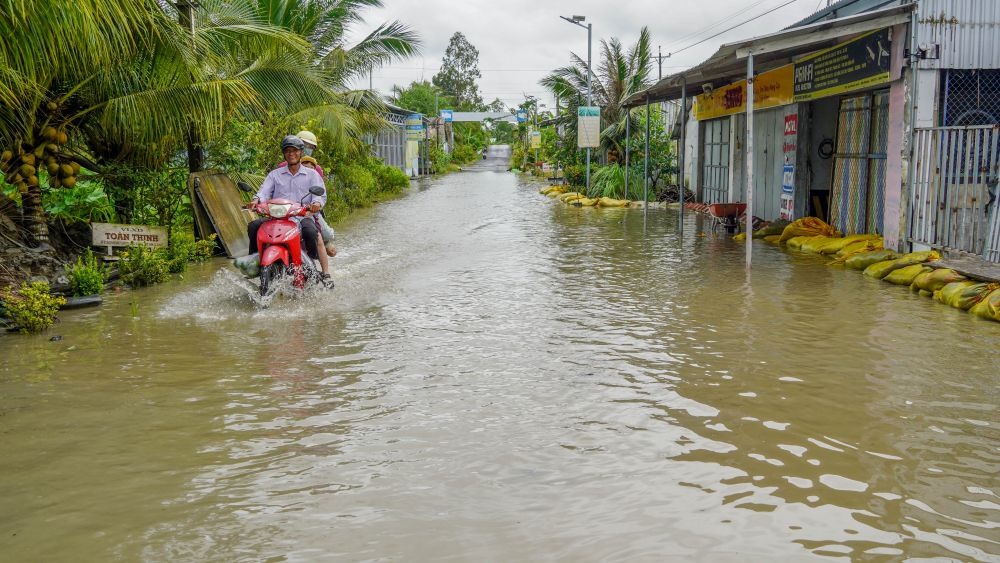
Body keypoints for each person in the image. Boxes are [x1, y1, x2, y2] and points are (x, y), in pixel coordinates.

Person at [246, 135, 329, 279]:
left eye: (295, 150)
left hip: (301, 217)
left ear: (301, 152)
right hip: (277, 219)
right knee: (253, 226)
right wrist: (256, 200)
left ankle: (311, 261)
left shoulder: (312, 175)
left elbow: (320, 196)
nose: (291, 154)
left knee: (311, 232)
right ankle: (255, 262)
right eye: (288, 151)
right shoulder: (274, 175)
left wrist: (316, 204)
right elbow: (263, 192)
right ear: (284, 154)